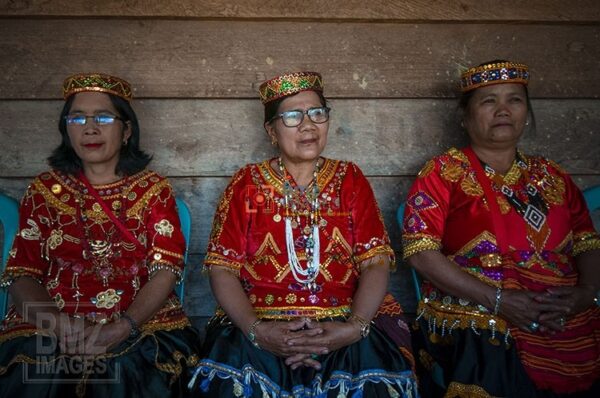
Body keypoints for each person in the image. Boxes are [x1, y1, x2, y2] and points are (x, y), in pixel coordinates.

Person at [190, 72, 418, 397]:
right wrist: (257, 331)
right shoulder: (247, 184)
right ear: (271, 130)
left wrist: (354, 327)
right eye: (293, 116)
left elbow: (375, 262)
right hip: (260, 325)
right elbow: (222, 268)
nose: (308, 125)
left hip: (342, 321)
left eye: (317, 113)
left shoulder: (349, 179)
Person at [402, 60, 600, 397]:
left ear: (527, 112)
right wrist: (497, 300)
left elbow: (586, 243)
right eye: (489, 101)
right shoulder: (444, 171)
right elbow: (421, 253)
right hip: (476, 306)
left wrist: (587, 293)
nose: (503, 110)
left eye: (515, 100)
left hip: (561, 308)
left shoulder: (553, 176)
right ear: (465, 118)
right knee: (493, 349)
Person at [0, 73, 200, 397]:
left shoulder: (152, 190)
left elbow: (166, 270)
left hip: (138, 325)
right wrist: (59, 325)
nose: (89, 128)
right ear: (66, 129)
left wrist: (122, 327)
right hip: (53, 327)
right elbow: (22, 275)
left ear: (127, 130)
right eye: (77, 118)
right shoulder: (43, 191)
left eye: (103, 117)